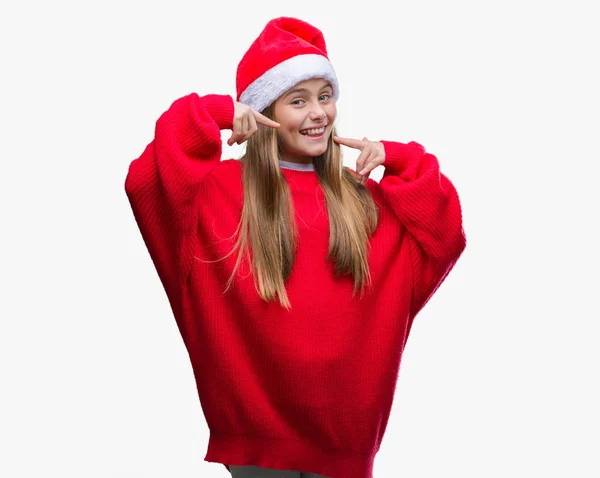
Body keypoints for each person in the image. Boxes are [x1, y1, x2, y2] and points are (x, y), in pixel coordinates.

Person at [124, 16, 466, 478]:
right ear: (264, 111)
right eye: (298, 100)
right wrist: (216, 111)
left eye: (324, 97)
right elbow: (149, 178)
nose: (318, 113)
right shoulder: (218, 194)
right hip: (253, 436)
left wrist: (398, 156)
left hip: (344, 440)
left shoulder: (362, 199)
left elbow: (443, 236)